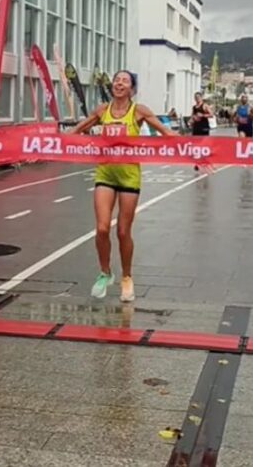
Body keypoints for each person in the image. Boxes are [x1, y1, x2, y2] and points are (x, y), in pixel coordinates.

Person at [70, 70, 176, 303]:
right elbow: (75, 132)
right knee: (102, 228)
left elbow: (168, 134)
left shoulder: (139, 111)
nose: (119, 83)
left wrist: (198, 152)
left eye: (124, 81)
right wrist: (43, 147)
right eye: (117, 80)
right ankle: (105, 272)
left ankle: (127, 277)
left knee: (123, 231)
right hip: (105, 173)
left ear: (132, 89)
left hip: (129, 176)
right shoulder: (101, 110)